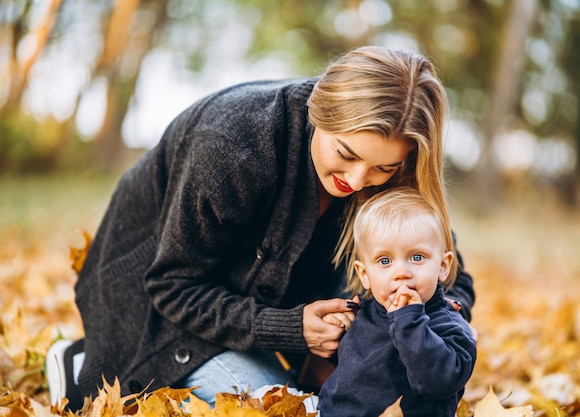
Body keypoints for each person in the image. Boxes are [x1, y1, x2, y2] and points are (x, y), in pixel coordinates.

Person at [45, 45, 475, 409]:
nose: (358, 181)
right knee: (297, 412)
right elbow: (170, 285)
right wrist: (290, 328)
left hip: (264, 302)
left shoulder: (398, 164)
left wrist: (436, 316)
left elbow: (451, 275)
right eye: (345, 153)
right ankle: (86, 362)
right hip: (156, 311)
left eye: (383, 168)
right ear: (318, 109)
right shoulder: (233, 146)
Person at [318, 187, 477, 417]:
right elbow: (359, 370)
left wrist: (410, 322)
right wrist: (339, 333)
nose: (401, 272)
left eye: (416, 257)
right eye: (385, 260)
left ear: (443, 266)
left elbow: (439, 383)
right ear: (364, 275)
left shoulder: (449, 327)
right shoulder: (366, 314)